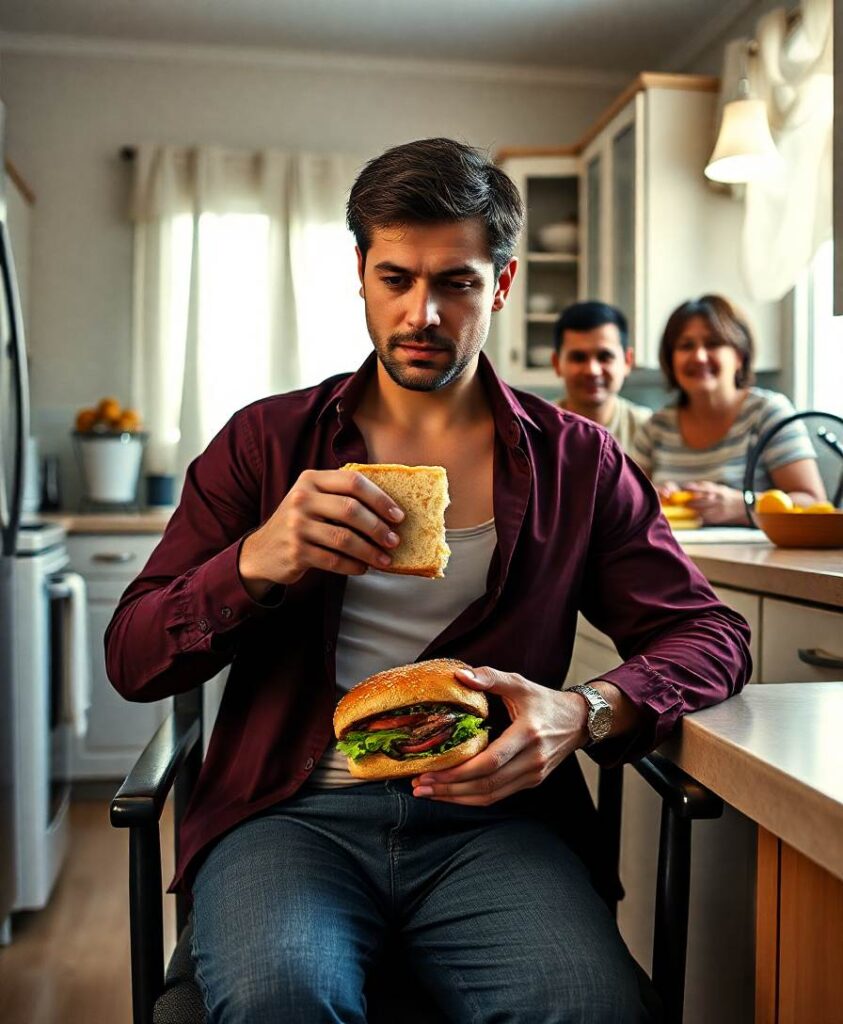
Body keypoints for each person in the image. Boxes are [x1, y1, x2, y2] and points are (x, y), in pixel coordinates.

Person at [105, 139, 751, 1024]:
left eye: (455, 282)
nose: (423, 314)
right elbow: (134, 659)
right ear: (361, 275)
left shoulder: (577, 460)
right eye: (396, 278)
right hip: (289, 812)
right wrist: (253, 563)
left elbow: (710, 633)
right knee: (282, 998)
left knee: (585, 1007)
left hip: (500, 823)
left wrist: (585, 709)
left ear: (503, 283)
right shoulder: (264, 444)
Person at [632, 294, 825, 525]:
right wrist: (653, 499)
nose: (699, 356)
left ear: (740, 356)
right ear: (671, 360)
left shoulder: (768, 413)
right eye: (686, 346)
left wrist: (741, 505)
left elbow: (813, 504)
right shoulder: (656, 427)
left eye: (713, 343)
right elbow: (627, 504)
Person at [551, 300, 651, 451]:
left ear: (627, 361)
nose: (592, 370)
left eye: (604, 357)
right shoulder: (534, 428)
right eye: (578, 357)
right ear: (557, 363)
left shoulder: (649, 429)